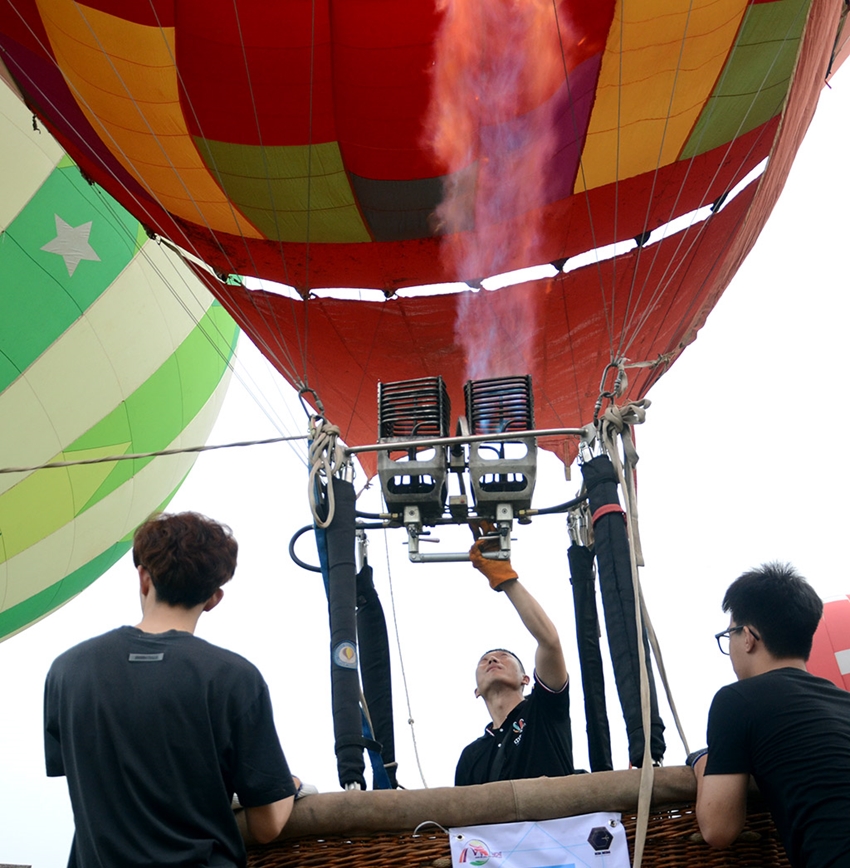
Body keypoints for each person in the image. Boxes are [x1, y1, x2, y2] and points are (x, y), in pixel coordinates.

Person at [44, 512, 300, 868]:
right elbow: (267, 825)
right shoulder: (234, 678)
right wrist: (288, 786)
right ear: (214, 598)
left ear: (143, 578)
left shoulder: (68, 670)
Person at [690, 562, 850, 868]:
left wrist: (702, 761)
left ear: (748, 637)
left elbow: (718, 829)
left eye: (729, 634)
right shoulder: (845, 702)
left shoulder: (736, 700)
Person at [455, 531, 574, 785]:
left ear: (526, 679)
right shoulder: (471, 757)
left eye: (503, 657)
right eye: (485, 660)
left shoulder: (544, 710)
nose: (492, 661)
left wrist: (505, 579)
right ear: (476, 691)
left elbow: (549, 642)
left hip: (552, 812)